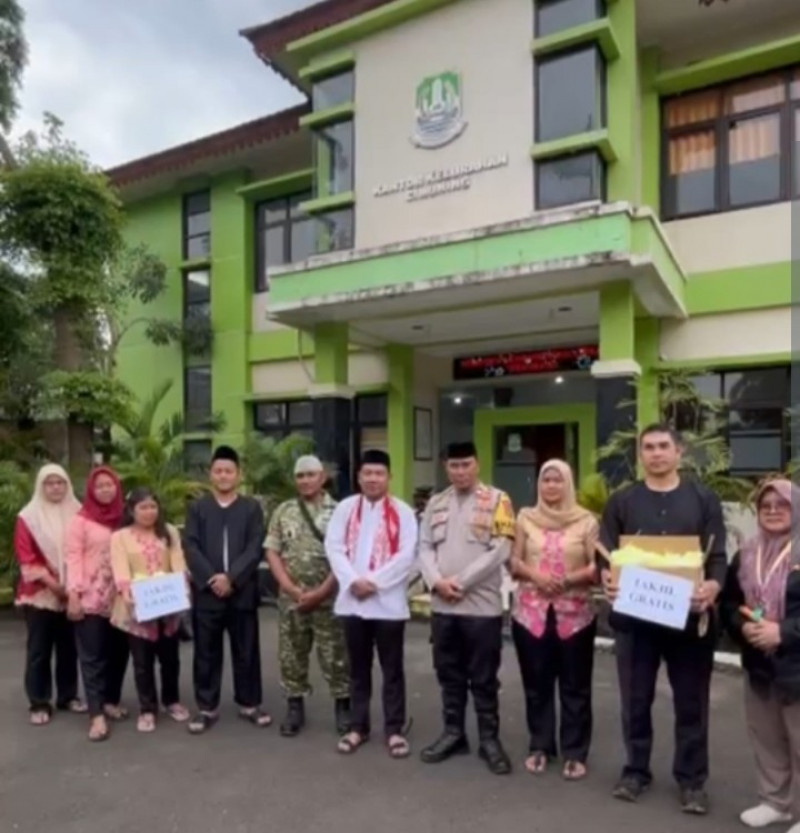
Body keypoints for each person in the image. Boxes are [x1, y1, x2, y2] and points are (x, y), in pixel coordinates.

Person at [599, 424, 728, 815]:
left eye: (663, 446)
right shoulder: (622, 501)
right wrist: (605, 577)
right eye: (648, 448)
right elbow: (604, 553)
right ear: (641, 455)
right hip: (636, 620)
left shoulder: (703, 499)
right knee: (635, 700)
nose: (656, 453)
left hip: (688, 619)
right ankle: (635, 771)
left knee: (691, 703)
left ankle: (692, 781)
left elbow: (717, 556)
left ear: (679, 452)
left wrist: (713, 588)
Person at [418, 441, 516, 776]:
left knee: (484, 678)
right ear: (446, 467)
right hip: (443, 607)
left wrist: (460, 581)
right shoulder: (436, 502)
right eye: (454, 465)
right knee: (449, 674)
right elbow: (424, 546)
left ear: (478, 463)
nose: (460, 471)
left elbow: (501, 549)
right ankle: (453, 733)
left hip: (481, 607)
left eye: (466, 464)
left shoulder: (499, 500)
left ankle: (490, 739)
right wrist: (436, 581)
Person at [510, 459, 599, 780]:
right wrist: (536, 575)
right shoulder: (525, 518)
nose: (551, 486)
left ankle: (575, 752)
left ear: (568, 483)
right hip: (530, 614)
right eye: (546, 480)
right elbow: (514, 561)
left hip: (575, 615)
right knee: (537, 684)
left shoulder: (586, 521)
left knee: (575, 686)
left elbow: (596, 567)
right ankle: (540, 746)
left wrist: (567, 579)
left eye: (558, 480)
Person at [324, 449, 417, 759]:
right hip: (353, 603)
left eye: (380, 473)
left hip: (387, 603)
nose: (374, 479)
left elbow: (406, 555)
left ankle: (394, 729)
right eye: (368, 473)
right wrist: (353, 581)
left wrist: (373, 582)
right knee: (358, 669)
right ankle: (357, 726)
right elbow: (334, 547)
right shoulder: (346, 509)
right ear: (359, 477)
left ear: (389, 477)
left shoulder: (403, 512)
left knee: (392, 669)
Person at [721, 479, 800, 831]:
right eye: (765, 505)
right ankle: (775, 803)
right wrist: (744, 627)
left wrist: (781, 632)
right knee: (767, 737)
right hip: (760, 666)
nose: (772, 511)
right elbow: (729, 603)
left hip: (796, 664)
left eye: (781, 505)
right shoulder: (746, 553)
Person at [183, 445, 269, 734]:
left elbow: (255, 546)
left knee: (246, 650)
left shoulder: (251, 508)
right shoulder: (198, 508)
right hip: (208, 594)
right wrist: (212, 578)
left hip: (241, 591)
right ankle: (206, 707)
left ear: (238, 475)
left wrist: (231, 577)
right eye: (218, 471)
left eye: (228, 471)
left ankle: (249, 703)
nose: (223, 475)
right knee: (206, 652)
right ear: (211, 475)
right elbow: (191, 546)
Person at [265, 455, 350, 737]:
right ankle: (294, 706)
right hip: (293, 599)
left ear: (323, 476)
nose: (305, 480)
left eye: (311, 474)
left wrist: (322, 591)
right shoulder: (284, 510)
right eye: (300, 476)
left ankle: (343, 705)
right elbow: (273, 551)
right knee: (291, 655)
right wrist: (290, 588)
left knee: (336, 655)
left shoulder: (340, 511)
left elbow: (346, 557)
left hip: (329, 598)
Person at [110, 487, 191, 733]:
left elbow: (178, 562)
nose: (148, 512)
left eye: (152, 507)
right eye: (143, 507)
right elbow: (120, 569)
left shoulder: (169, 532)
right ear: (131, 510)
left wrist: (181, 585)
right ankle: (147, 708)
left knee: (170, 659)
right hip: (137, 607)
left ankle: (172, 700)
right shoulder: (120, 537)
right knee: (142, 661)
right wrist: (128, 592)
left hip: (167, 605)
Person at [14, 464, 86, 724]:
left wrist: (73, 587)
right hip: (40, 594)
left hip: (74, 590)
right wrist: (54, 584)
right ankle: (39, 702)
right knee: (39, 649)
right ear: (41, 486)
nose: (55, 488)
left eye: (60, 483)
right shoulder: (28, 517)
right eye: (49, 483)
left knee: (69, 648)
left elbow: (84, 548)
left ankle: (68, 696)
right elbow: (26, 556)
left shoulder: (78, 512)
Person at [66, 466, 130, 742]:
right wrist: (73, 595)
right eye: (100, 486)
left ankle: (110, 701)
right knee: (92, 658)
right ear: (91, 490)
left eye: (110, 485)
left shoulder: (126, 517)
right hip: (91, 597)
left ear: (117, 487)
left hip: (121, 598)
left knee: (119, 653)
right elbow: (73, 558)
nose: (105, 490)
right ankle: (96, 715)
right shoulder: (80, 521)